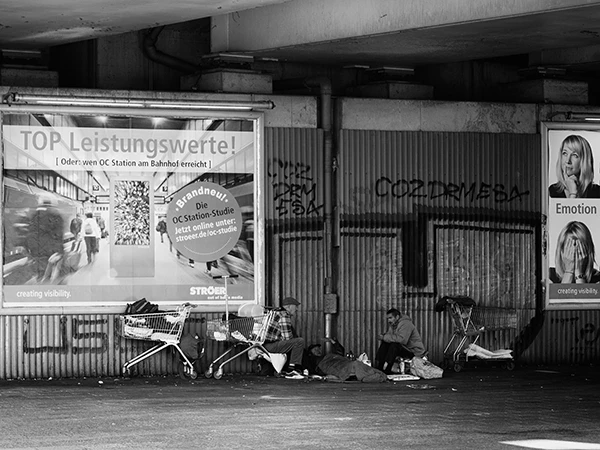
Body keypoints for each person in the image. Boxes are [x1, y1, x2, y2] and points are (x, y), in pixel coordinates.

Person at [262, 296, 306, 379]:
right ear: (288, 307)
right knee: (299, 341)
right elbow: (287, 337)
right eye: (295, 306)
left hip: (265, 344)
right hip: (271, 346)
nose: (296, 309)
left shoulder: (276, 312)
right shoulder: (284, 315)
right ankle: (291, 370)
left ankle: (291, 368)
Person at [375, 308, 427, 375]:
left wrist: (385, 337)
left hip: (414, 352)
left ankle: (388, 369)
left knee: (394, 345)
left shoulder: (406, 324)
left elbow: (402, 340)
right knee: (386, 342)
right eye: (388, 318)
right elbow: (390, 337)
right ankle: (380, 366)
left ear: (397, 317)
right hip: (405, 349)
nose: (389, 320)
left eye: (390, 318)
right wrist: (384, 337)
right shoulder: (393, 325)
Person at [25, 195, 65, 282]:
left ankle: (40, 282)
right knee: (51, 267)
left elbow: (30, 233)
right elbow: (58, 234)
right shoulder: (55, 216)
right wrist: (60, 249)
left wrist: (29, 248)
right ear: (50, 205)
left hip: (35, 247)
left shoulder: (34, 216)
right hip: (49, 248)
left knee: (40, 269)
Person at [307, 344, 387, 383]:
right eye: (315, 350)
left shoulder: (329, 355)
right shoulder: (314, 360)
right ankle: (377, 375)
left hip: (347, 364)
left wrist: (333, 342)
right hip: (345, 367)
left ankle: (377, 375)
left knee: (358, 366)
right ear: (310, 353)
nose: (318, 351)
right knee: (356, 366)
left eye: (318, 349)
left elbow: (340, 352)